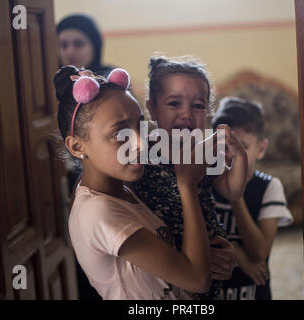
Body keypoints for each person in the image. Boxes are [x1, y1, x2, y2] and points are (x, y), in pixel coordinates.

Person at [54, 65, 212, 299]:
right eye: (119, 134)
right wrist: (187, 184)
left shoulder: (121, 188)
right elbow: (198, 279)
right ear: (77, 146)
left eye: (139, 125)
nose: (139, 143)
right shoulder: (99, 212)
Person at [132, 55, 249, 299]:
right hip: (165, 257)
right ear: (152, 109)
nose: (186, 114)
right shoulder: (142, 152)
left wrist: (240, 156)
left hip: (207, 252)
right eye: (174, 104)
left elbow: (232, 190)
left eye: (197, 106)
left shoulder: (204, 151)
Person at [57, 14, 116, 299]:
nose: (70, 51)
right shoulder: (55, 85)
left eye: (78, 43)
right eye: (63, 44)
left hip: (108, 179)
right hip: (67, 181)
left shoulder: (111, 82)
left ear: (94, 45)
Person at [211, 97, 294, 300]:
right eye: (225, 147)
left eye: (242, 147)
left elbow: (259, 253)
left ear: (261, 148)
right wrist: (238, 253)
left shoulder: (269, 187)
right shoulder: (204, 181)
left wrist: (235, 193)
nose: (233, 156)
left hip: (252, 292)